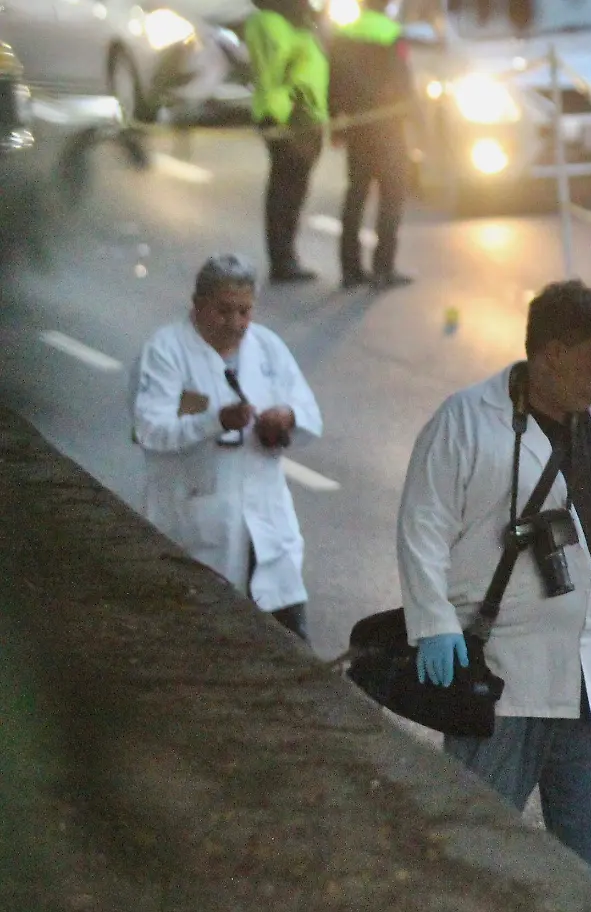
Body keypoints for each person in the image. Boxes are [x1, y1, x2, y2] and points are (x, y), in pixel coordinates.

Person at [397, 280, 591, 891]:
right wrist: (434, 625)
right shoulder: (466, 421)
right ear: (553, 354)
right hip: (503, 684)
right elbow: (422, 527)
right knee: (475, 855)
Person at [131, 254, 324, 639]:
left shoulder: (267, 348)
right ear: (198, 304)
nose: (236, 324)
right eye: (224, 311)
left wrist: (285, 419)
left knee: (289, 649)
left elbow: (310, 415)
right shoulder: (166, 351)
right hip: (198, 530)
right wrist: (214, 421)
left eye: (245, 312)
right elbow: (150, 430)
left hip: (269, 532)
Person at [327, 0, 414, 289]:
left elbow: (334, 80)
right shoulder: (391, 32)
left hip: (356, 126)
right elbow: (402, 82)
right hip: (387, 126)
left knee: (356, 193)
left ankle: (349, 270)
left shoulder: (345, 32)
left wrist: (336, 121)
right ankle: (383, 268)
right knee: (391, 195)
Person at [244, 0, 329, 284]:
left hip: (304, 116)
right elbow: (275, 71)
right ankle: (282, 261)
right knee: (286, 189)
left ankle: (286, 257)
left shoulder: (296, 20)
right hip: (287, 116)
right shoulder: (271, 22)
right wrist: (292, 108)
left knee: (293, 189)